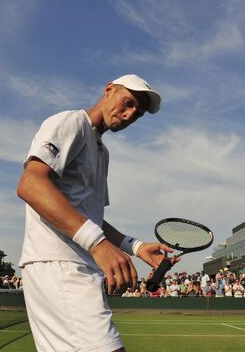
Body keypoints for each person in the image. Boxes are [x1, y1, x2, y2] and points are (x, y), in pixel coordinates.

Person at [16, 74, 174, 352]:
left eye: (136, 114)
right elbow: (31, 184)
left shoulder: (103, 153)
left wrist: (134, 247)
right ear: (109, 90)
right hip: (58, 265)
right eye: (127, 103)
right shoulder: (71, 122)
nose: (129, 115)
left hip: (77, 266)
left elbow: (91, 216)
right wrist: (98, 244)